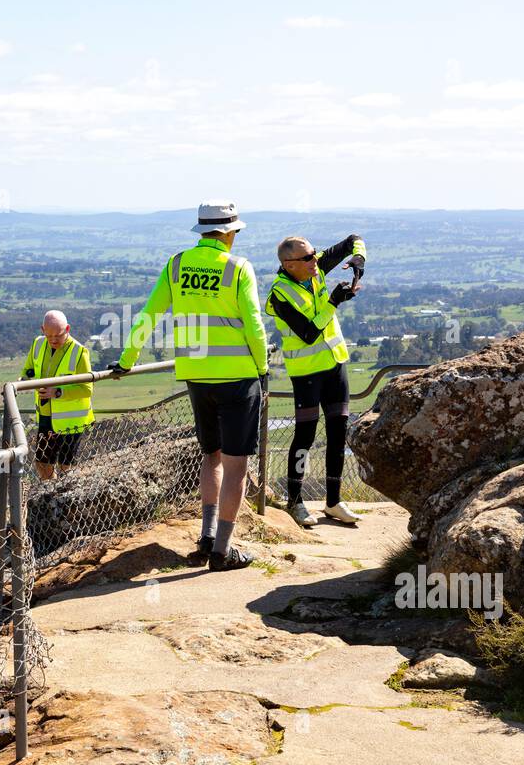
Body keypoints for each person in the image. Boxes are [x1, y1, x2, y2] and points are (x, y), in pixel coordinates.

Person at [109, 201, 268, 572]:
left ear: (201, 232)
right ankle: (223, 552)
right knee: (236, 466)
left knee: (210, 456)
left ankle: (207, 536)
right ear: (230, 233)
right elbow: (254, 325)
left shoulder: (177, 264)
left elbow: (148, 315)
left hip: (196, 376)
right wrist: (262, 368)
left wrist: (127, 360)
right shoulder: (239, 268)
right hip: (238, 377)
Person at [265, 233, 367, 527]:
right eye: (307, 257)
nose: (315, 260)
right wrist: (334, 301)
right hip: (307, 373)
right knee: (305, 437)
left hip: (335, 363)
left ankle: (333, 502)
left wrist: (359, 259)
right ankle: (295, 502)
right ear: (289, 264)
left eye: (314, 254)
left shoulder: (314, 267)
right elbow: (308, 333)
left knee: (338, 433)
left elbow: (353, 240)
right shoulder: (279, 295)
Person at [21, 310, 94, 480]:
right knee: (42, 462)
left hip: (71, 421)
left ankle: (67, 501)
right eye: (49, 335)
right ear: (42, 329)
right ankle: (50, 497)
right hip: (46, 416)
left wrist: (57, 392)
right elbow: (28, 370)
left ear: (67, 329)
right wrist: (24, 380)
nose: (53, 340)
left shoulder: (79, 351)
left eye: (58, 335)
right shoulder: (37, 344)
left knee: (66, 467)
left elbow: (86, 389)